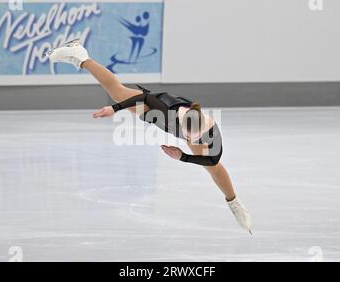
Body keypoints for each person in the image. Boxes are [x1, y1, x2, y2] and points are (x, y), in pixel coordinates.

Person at [46, 40, 253, 234]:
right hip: (157, 109)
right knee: (118, 93)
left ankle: (234, 202)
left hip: (179, 123)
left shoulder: (210, 134)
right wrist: (115, 108)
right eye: (189, 137)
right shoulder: (165, 109)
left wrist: (183, 157)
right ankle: (80, 56)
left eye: (193, 139)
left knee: (212, 168)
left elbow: (213, 160)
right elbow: (143, 97)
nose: (189, 141)